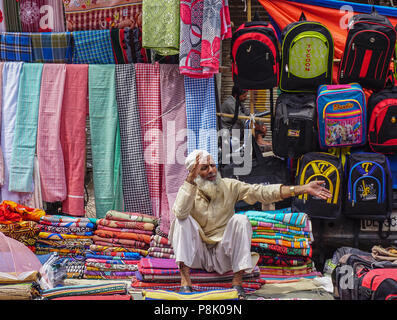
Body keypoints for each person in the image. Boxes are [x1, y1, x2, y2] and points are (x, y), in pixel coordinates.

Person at [169, 149, 332, 299]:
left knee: (241, 219)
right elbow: (180, 212)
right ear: (193, 173)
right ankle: (185, 281)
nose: (211, 170)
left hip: (223, 255)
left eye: (213, 165)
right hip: (197, 255)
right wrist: (189, 183)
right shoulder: (188, 190)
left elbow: (262, 192)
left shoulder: (229, 185)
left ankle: (237, 283)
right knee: (182, 220)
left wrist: (302, 189)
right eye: (204, 168)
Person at [220, 85, 271, 149]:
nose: (246, 98)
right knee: (244, 121)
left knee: (254, 113)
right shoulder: (230, 104)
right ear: (236, 95)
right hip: (229, 134)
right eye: (244, 96)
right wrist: (259, 128)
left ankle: (259, 139)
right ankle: (258, 139)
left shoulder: (238, 102)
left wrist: (260, 121)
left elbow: (248, 113)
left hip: (236, 130)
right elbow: (244, 120)